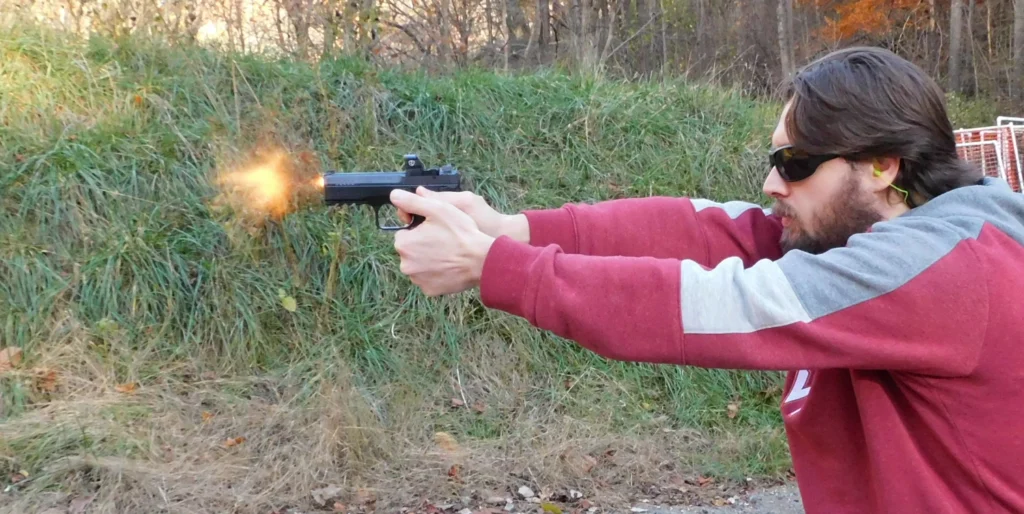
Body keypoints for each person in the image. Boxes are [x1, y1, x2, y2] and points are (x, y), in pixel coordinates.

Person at [388, 46, 1024, 513]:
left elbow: (726, 304)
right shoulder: (874, 236)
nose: (772, 183)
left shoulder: (945, 270)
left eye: (795, 163)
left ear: (882, 166)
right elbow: (706, 231)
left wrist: (495, 267)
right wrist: (514, 229)